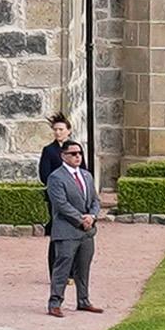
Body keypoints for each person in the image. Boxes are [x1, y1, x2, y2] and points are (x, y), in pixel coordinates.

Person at [43, 125, 102, 317]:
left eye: (80, 153)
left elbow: (94, 200)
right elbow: (61, 204)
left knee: (83, 267)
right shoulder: (56, 177)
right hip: (67, 230)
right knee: (63, 266)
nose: (78, 157)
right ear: (64, 156)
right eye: (73, 153)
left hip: (86, 231)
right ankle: (55, 303)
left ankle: (83, 300)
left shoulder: (86, 175)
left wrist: (92, 217)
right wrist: (80, 219)